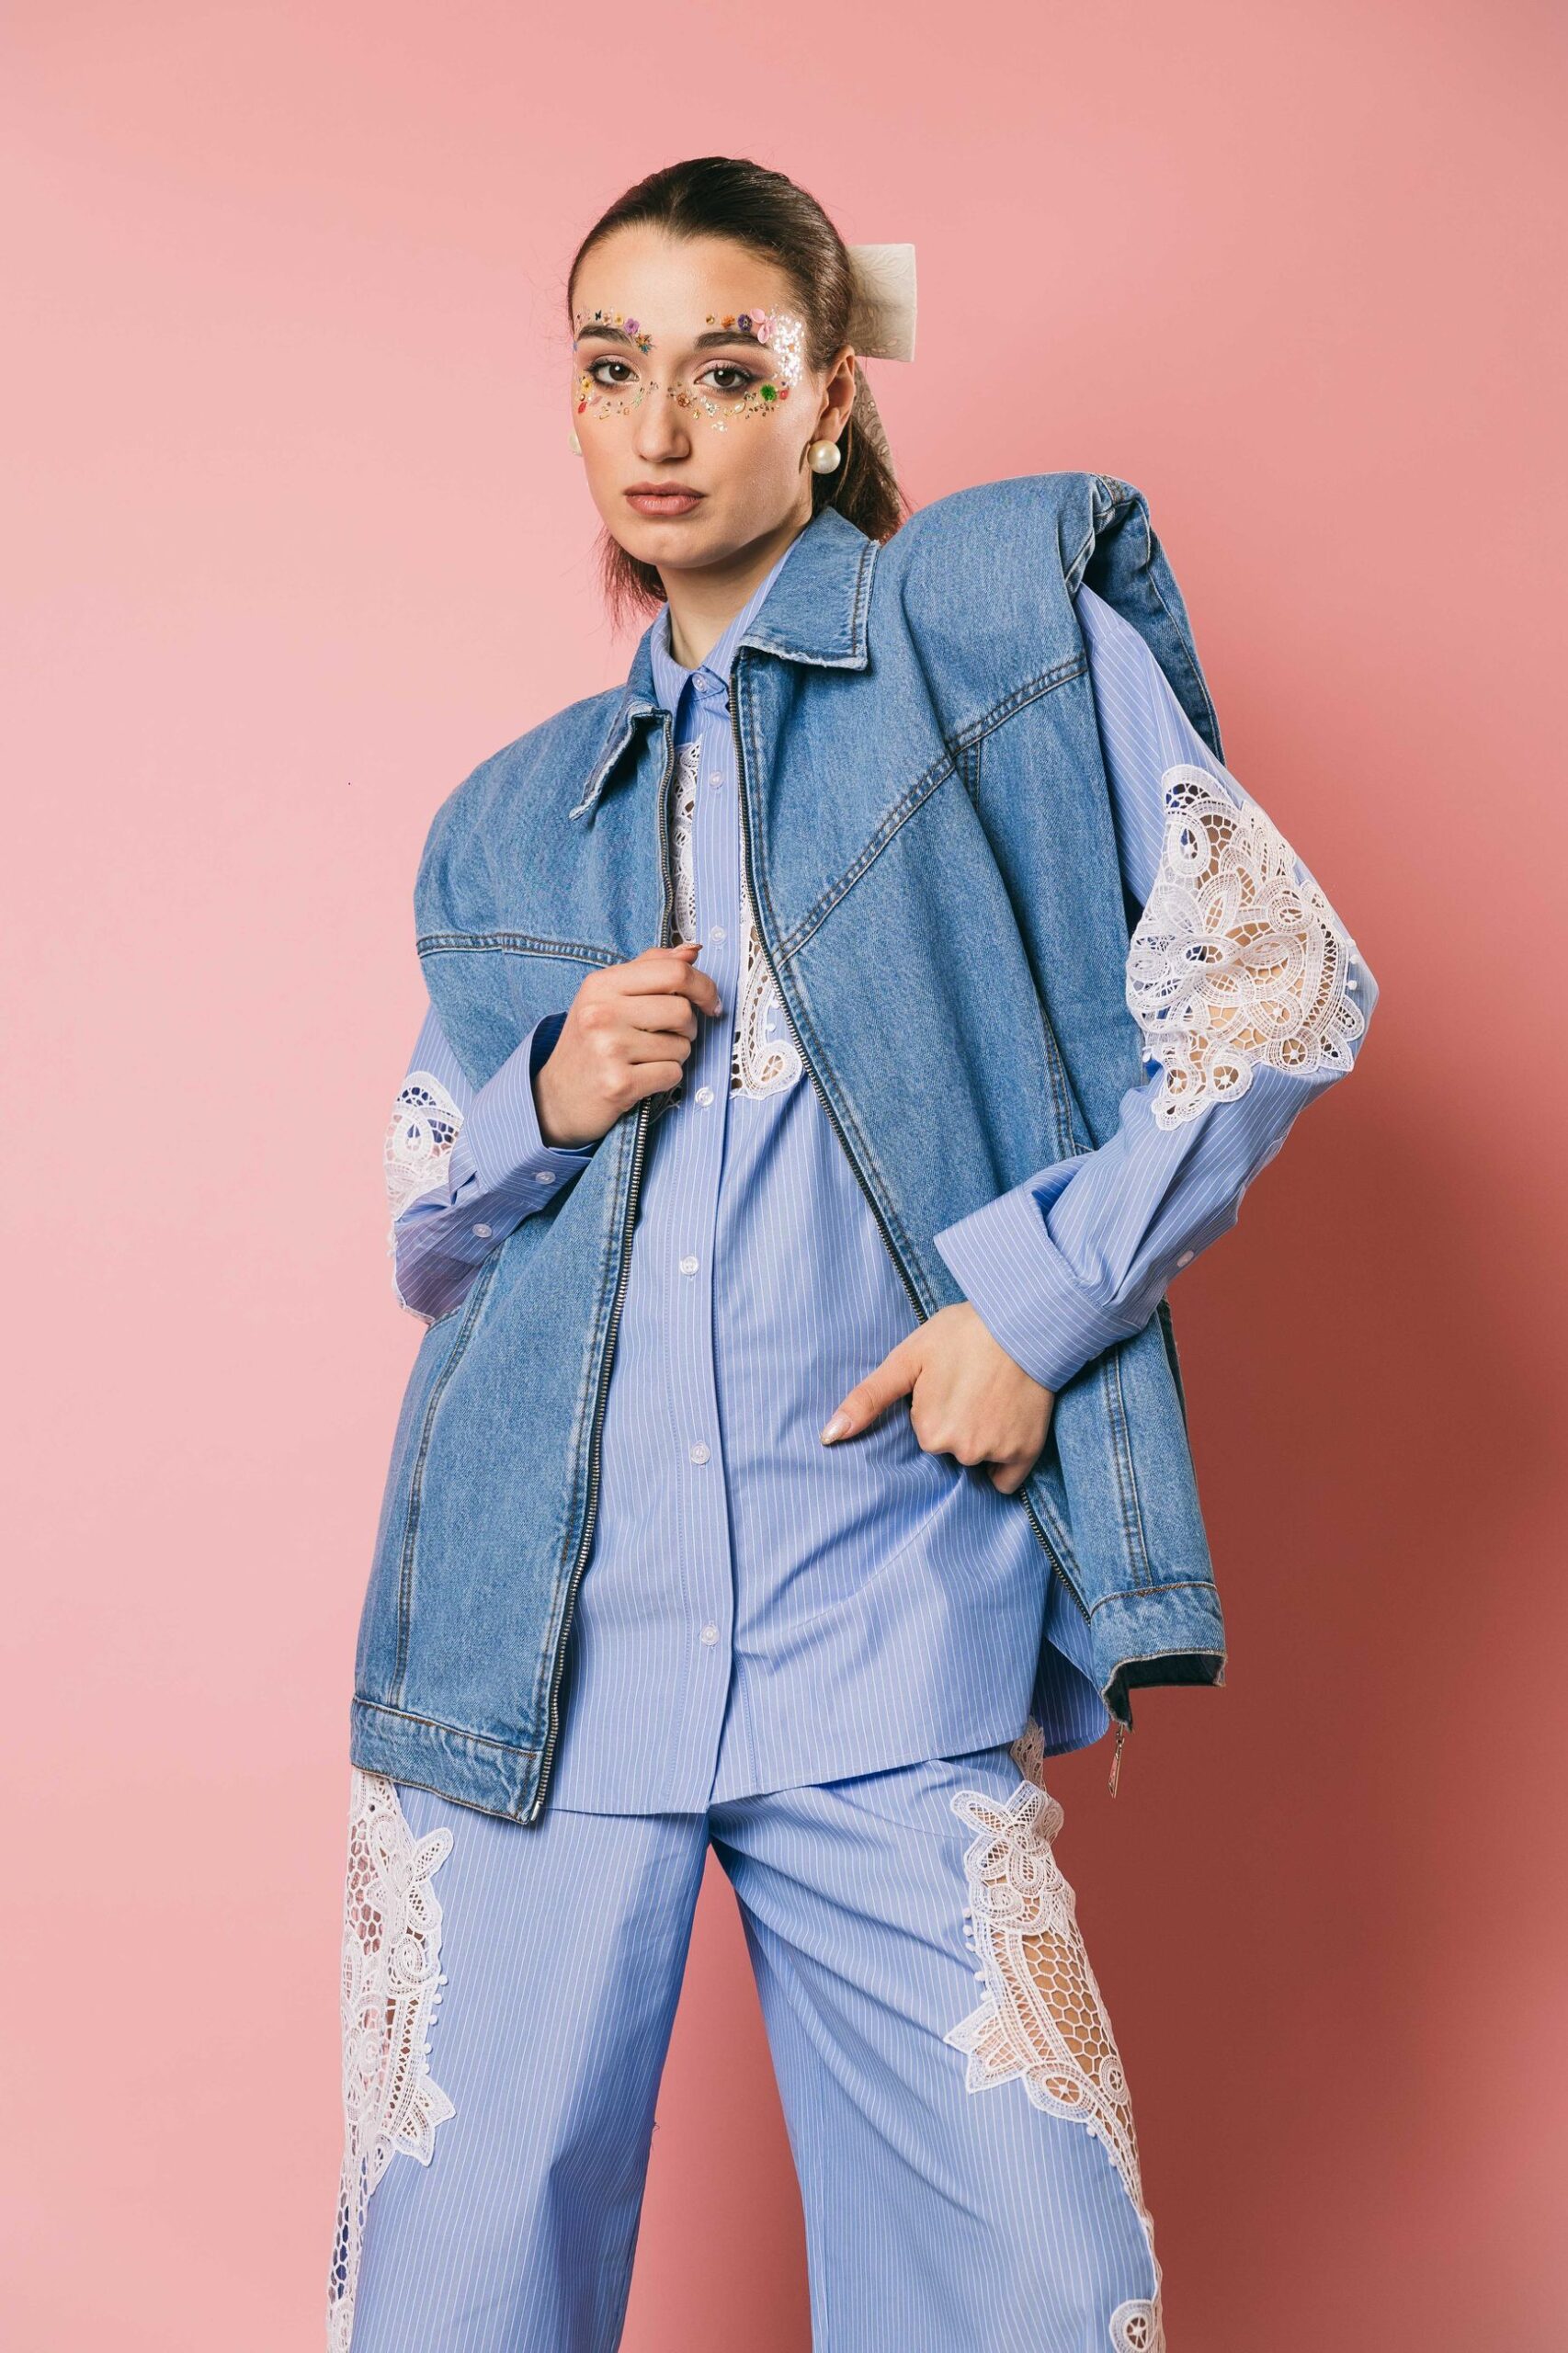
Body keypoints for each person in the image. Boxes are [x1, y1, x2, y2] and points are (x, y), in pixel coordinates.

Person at [327, 157, 1377, 2353]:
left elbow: (1275, 982)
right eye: (610, 367)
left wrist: (1037, 1301)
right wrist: (545, 1096)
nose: (659, 426)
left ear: (827, 400)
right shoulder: (517, 812)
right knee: (457, 2304)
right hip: (530, 1642)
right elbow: (427, 1226)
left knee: (1027, 2284)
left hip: (883, 1606)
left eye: (729, 370)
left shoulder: (985, 633)